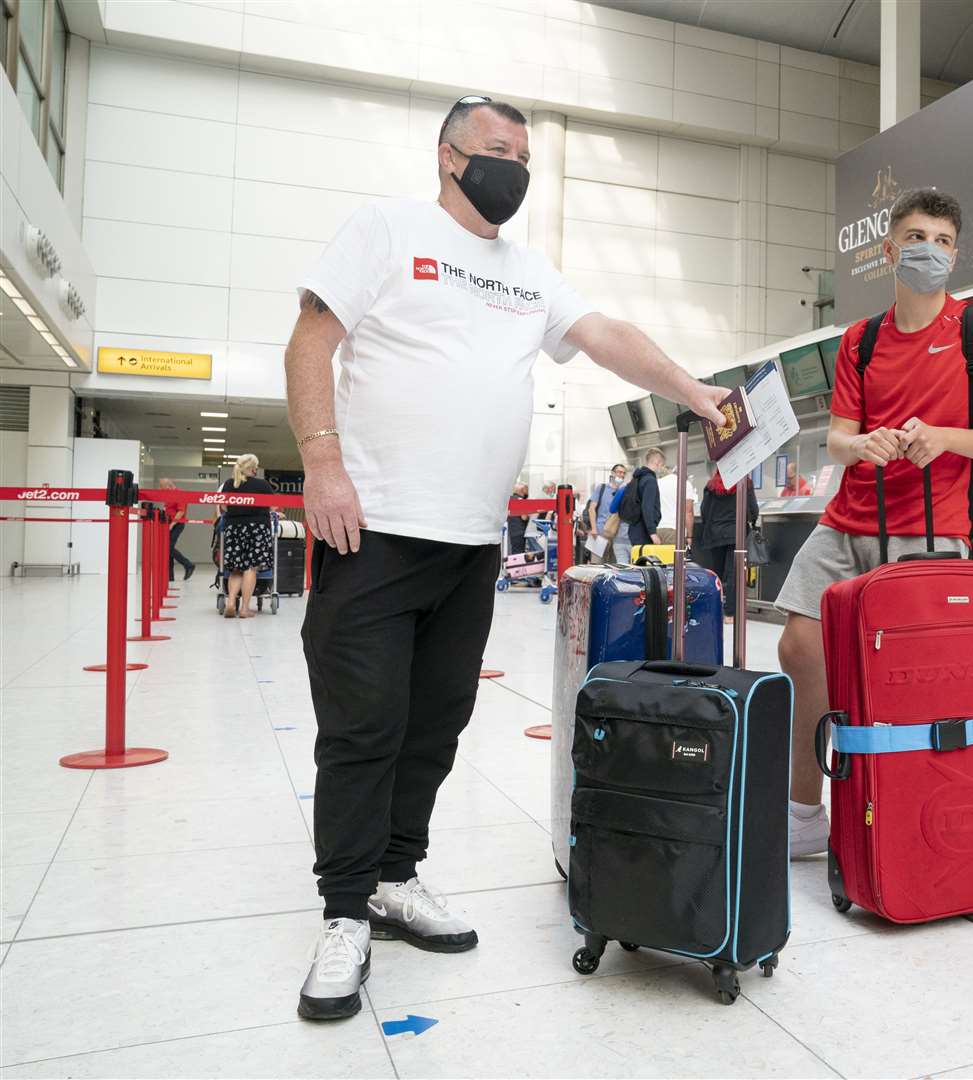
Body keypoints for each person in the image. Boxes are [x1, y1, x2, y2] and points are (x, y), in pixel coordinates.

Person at [284, 94, 726, 1021]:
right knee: (363, 727)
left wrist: (689, 384)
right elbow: (312, 339)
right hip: (372, 531)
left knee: (435, 726)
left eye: (524, 156)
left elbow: (606, 337)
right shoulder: (386, 230)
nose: (512, 169)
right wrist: (321, 463)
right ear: (449, 158)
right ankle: (343, 910)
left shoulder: (529, 273)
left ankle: (397, 877)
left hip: (470, 543)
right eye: (496, 151)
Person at [773, 188, 973, 857]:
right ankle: (804, 814)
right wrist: (861, 447)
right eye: (917, 238)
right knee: (800, 648)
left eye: (943, 242)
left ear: (956, 253)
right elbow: (838, 437)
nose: (930, 252)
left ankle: (914, 809)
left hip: (933, 530)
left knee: (913, 676)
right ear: (889, 250)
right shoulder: (861, 340)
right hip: (847, 519)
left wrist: (944, 437)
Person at [698, 465, 759, 621]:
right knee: (733, 575)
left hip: (715, 534)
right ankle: (730, 614)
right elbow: (753, 509)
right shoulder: (745, 483)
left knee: (717, 574)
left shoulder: (711, 486)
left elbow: (704, 510)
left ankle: (714, 609)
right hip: (736, 534)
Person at [218, 455, 275, 618]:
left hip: (234, 527)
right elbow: (272, 506)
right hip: (257, 528)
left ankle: (230, 603)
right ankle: (244, 609)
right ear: (254, 468)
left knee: (236, 568)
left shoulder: (229, 484)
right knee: (251, 568)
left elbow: (223, 507)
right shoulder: (262, 484)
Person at [623, 448, 666, 555]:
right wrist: (652, 533)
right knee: (645, 567)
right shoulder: (650, 480)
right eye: (662, 465)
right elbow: (647, 507)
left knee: (639, 565)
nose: (662, 468)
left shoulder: (638, 478)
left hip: (635, 529)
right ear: (657, 463)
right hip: (643, 532)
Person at [158, 478, 195, 582]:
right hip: (169, 523)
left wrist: (172, 524)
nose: (161, 490)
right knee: (167, 550)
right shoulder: (169, 496)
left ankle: (188, 565)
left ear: (169, 486)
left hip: (176, 524)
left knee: (168, 547)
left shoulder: (179, 494)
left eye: (162, 488)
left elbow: (181, 511)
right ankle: (170, 576)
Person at [505, 481, 530, 557]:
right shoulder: (521, 501)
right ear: (523, 490)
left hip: (510, 530)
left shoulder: (509, 499)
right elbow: (524, 517)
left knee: (512, 551)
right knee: (519, 554)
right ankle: (517, 568)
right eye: (527, 489)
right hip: (519, 531)